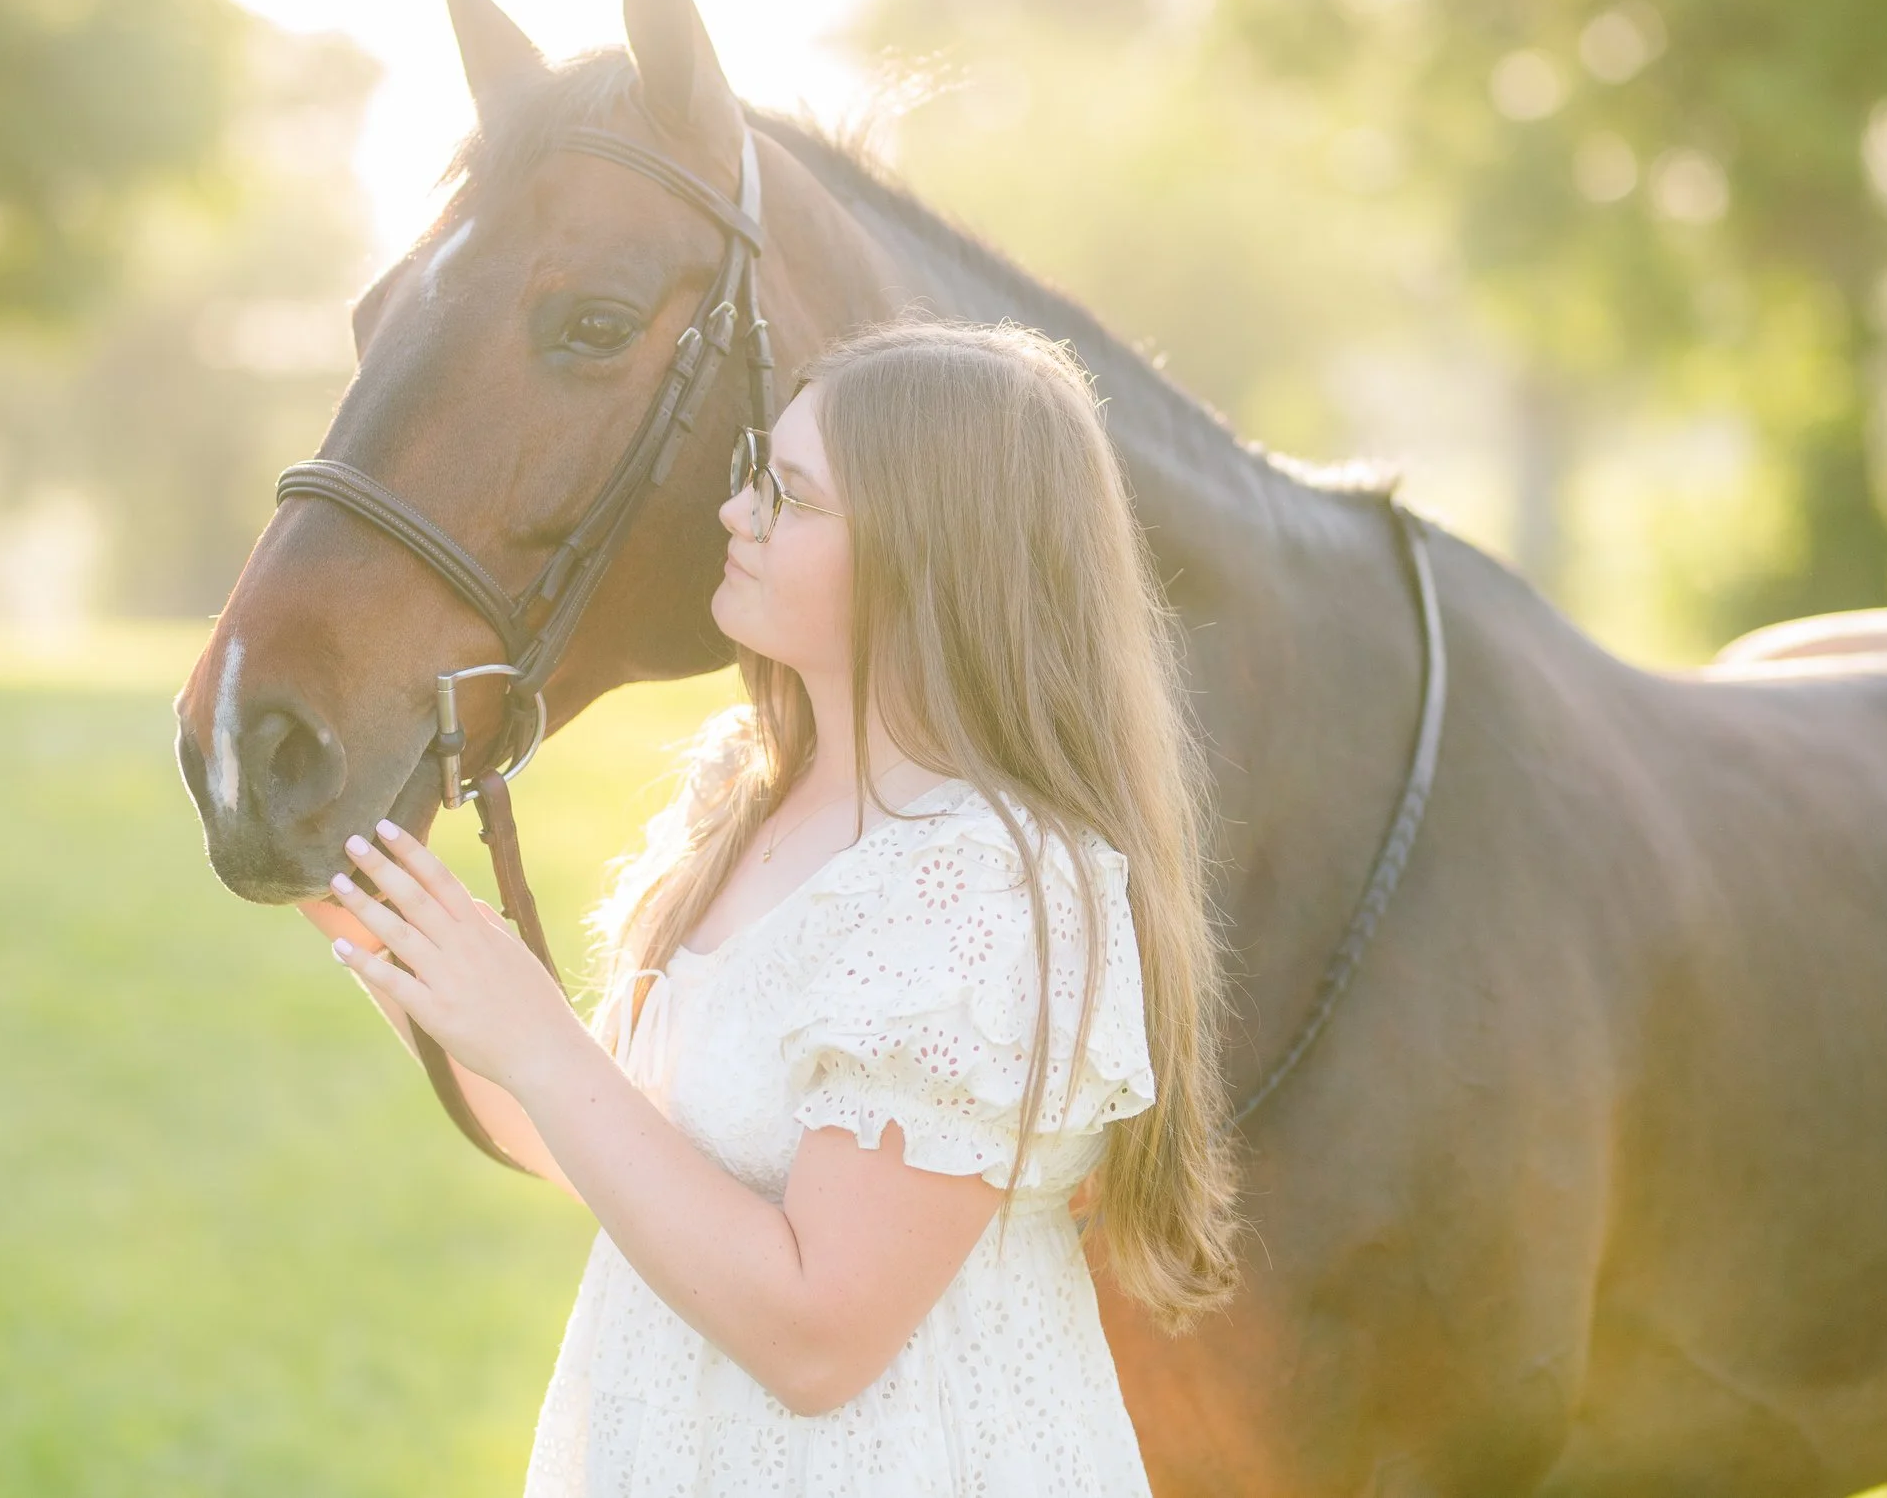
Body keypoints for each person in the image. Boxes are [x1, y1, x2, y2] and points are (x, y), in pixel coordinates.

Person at [300, 318, 1243, 1494]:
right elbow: (616, 1156)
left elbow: (819, 1335)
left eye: (787, 496)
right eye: (759, 474)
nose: (733, 513)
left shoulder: (992, 884)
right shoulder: (752, 793)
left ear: (928, 552)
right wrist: (398, 944)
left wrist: (542, 1040)